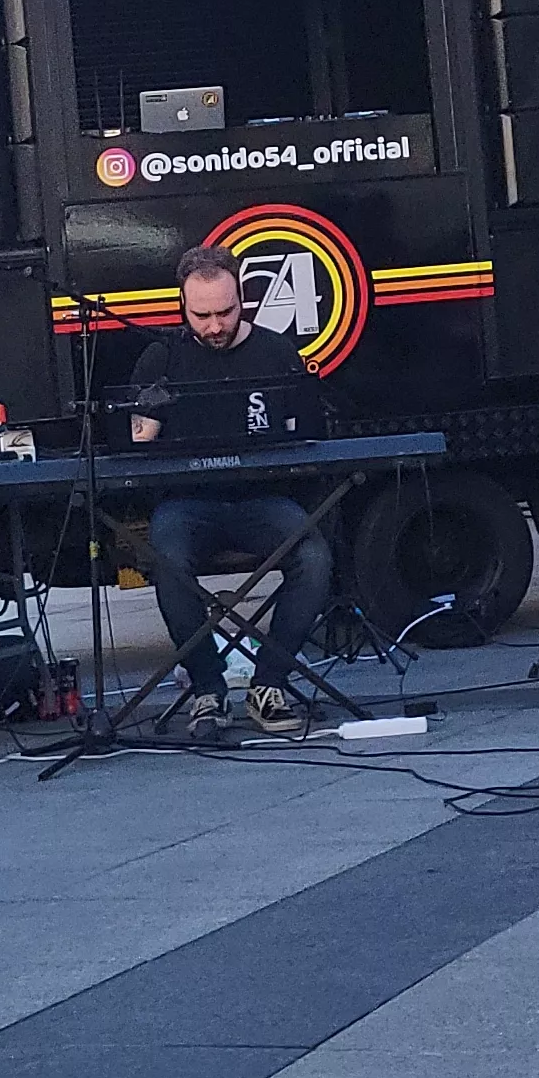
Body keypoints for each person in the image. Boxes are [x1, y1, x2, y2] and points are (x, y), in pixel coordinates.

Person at [126, 246, 328, 741]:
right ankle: (207, 688)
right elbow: (135, 441)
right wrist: (144, 424)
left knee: (315, 556)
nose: (214, 326)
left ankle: (270, 683)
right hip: (188, 503)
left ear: (242, 299)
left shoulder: (278, 352)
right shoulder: (163, 357)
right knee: (168, 559)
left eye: (225, 312)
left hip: (260, 499)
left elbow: (309, 433)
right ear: (182, 306)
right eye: (202, 315)